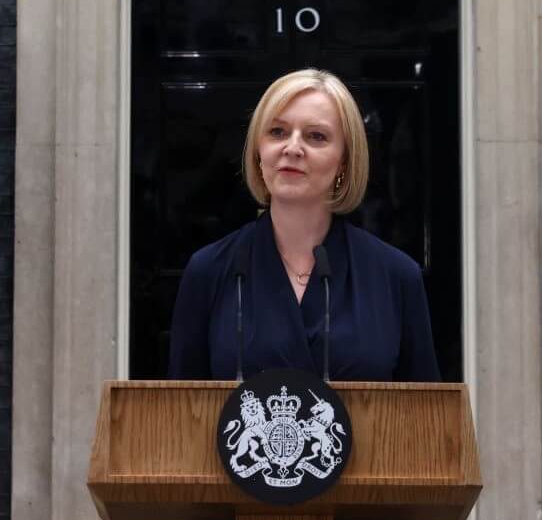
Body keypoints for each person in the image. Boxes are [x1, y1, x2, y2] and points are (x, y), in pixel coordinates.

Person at [167, 68, 441, 382]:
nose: (292, 148)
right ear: (259, 153)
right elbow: (182, 415)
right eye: (278, 132)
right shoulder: (208, 270)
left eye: (316, 136)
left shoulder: (397, 276)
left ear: (344, 162)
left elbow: (426, 420)